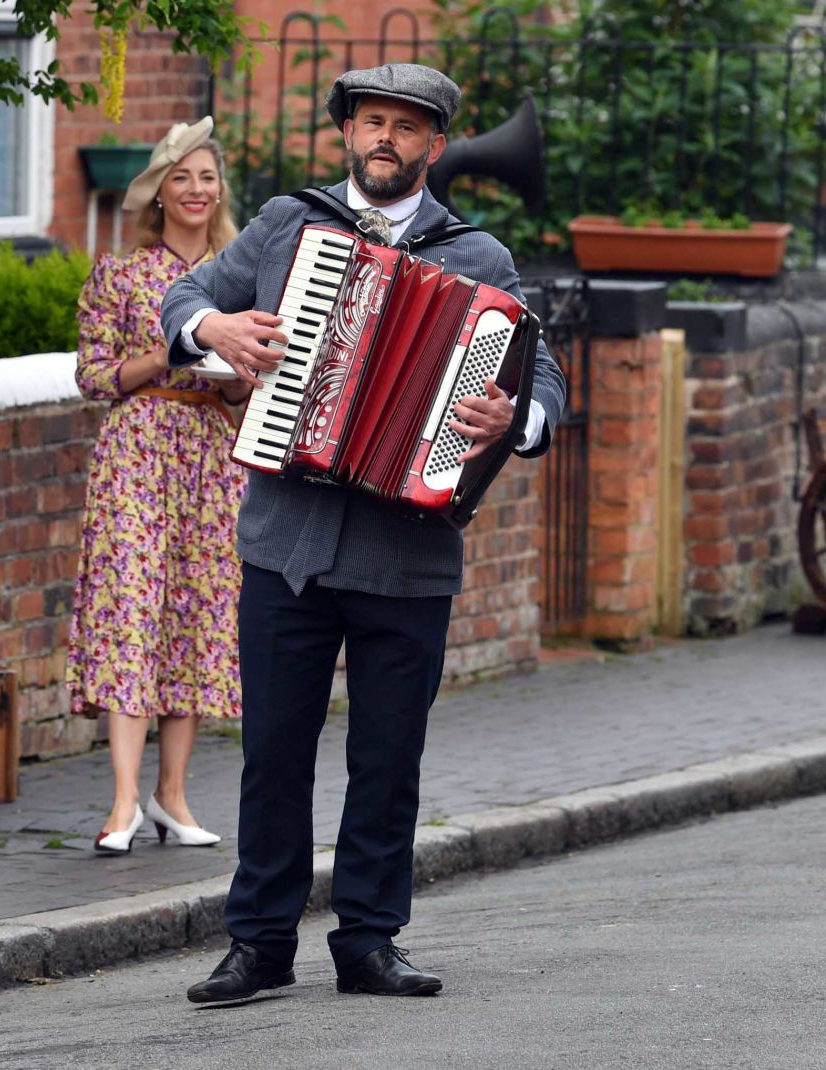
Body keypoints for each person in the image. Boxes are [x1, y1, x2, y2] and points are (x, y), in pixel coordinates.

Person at [161, 64, 568, 1000]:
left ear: (433, 145)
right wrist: (215, 329)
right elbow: (182, 299)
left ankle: (370, 940)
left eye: (406, 127)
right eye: (371, 122)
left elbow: (543, 382)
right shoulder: (282, 224)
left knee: (388, 761)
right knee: (273, 754)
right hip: (286, 545)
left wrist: (514, 420)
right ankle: (260, 943)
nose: (385, 138)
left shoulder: (480, 260)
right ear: (348, 132)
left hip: (409, 554)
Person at [66, 117, 249, 855]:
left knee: (198, 612)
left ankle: (173, 794)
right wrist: (164, 351)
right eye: (183, 178)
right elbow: (90, 375)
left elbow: (251, 385)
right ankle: (121, 803)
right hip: (139, 446)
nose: (198, 190)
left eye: (208, 178)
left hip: (212, 449)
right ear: (160, 192)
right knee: (129, 609)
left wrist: (240, 374)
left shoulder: (240, 275)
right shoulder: (120, 274)